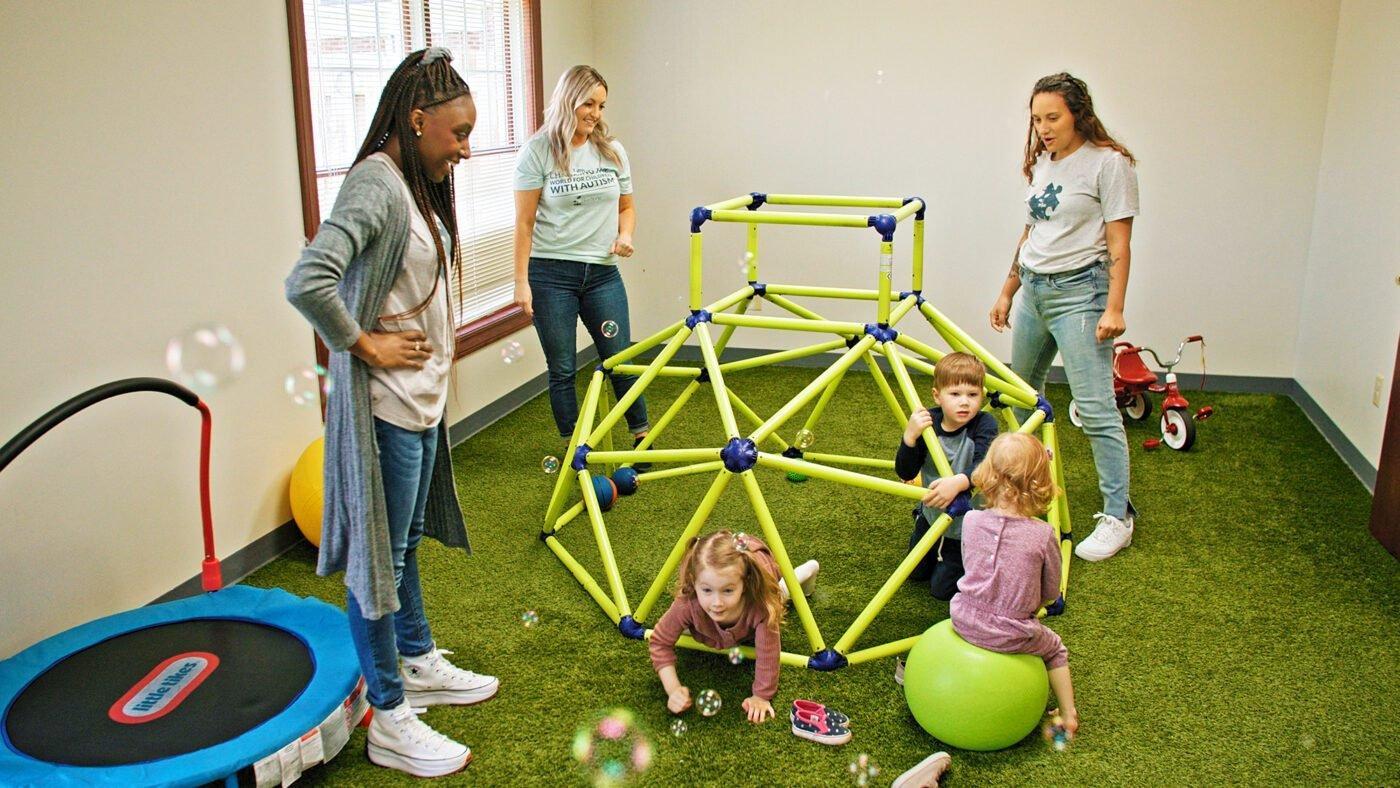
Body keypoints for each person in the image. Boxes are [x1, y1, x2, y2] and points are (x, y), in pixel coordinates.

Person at [285, 48, 498, 778]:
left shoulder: (409, 180)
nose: (467, 150)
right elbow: (309, 279)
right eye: (459, 133)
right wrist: (365, 345)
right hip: (385, 410)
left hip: (418, 405)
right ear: (417, 119)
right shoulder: (375, 184)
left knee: (400, 547)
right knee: (379, 563)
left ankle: (415, 661)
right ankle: (389, 715)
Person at [988, 72, 1140, 561]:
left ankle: (1119, 515)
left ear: (1078, 112)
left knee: (1095, 408)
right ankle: (1023, 490)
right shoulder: (1044, 164)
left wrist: (1114, 306)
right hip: (1034, 289)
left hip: (1081, 293)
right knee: (1022, 394)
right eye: (1036, 119)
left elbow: (1119, 241)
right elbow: (1031, 231)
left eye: (1052, 117)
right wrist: (1008, 290)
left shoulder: (1109, 165)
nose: (1044, 128)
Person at [513, 65, 650, 468]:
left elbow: (627, 206)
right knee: (563, 368)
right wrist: (521, 282)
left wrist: (626, 236)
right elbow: (524, 223)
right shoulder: (537, 151)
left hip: (602, 273)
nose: (595, 113)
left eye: (601, 104)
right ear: (566, 101)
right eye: (587, 103)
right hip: (550, 274)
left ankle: (641, 438)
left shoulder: (611, 150)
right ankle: (578, 450)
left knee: (620, 356)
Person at [951, 433, 1078, 738]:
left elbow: (971, 567)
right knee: (1055, 649)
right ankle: (1069, 714)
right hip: (1012, 631)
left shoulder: (970, 520)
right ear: (1040, 481)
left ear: (988, 475)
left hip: (963, 618)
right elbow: (1050, 593)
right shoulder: (1044, 534)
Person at [648, 530, 819, 725]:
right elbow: (660, 641)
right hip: (732, 559)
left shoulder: (760, 604)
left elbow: (768, 654)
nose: (717, 602)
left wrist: (761, 696)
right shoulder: (688, 604)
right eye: (706, 590)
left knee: (779, 596)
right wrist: (673, 689)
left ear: (744, 585)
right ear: (694, 583)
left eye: (728, 590)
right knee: (689, 620)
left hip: (760, 568)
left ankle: (808, 570)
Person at [895, 352, 999, 599]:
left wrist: (958, 483)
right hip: (932, 513)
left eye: (972, 395)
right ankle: (922, 520)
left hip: (966, 522)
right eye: (955, 394)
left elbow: (984, 465)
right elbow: (905, 471)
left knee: (941, 590)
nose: (965, 402)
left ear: (982, 395)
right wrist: (909, 438)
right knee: (915, 572)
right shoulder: (928, 424)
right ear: (937, 396)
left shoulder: (984, 424)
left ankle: (980, 556)